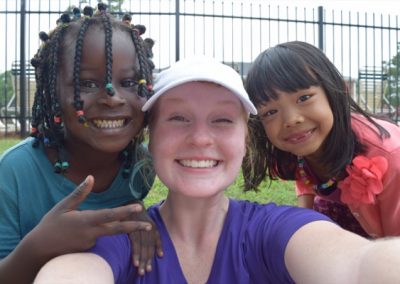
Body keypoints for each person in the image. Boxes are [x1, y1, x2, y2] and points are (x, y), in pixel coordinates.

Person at [34, 56, 400, 284]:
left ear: (245, 139)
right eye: (178, 118)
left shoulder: (276, 231)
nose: (201, 139)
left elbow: (360, 265)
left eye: (223, 120)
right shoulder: (122, 239)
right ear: (151, 136)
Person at [0, 4, 162, 284]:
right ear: (52, 93)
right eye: (86, 83)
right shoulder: (15, 172)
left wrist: (136, 214)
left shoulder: (140, 165)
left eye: (128, 82)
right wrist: (37, 246)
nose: (112, 97)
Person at [243, 41, 400, 238]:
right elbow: (304, 175)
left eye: (303, 98)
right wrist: (304, 221)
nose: (291, 120)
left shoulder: (388, 155)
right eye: (271, 112)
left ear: (334, 90)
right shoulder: (299, 146)